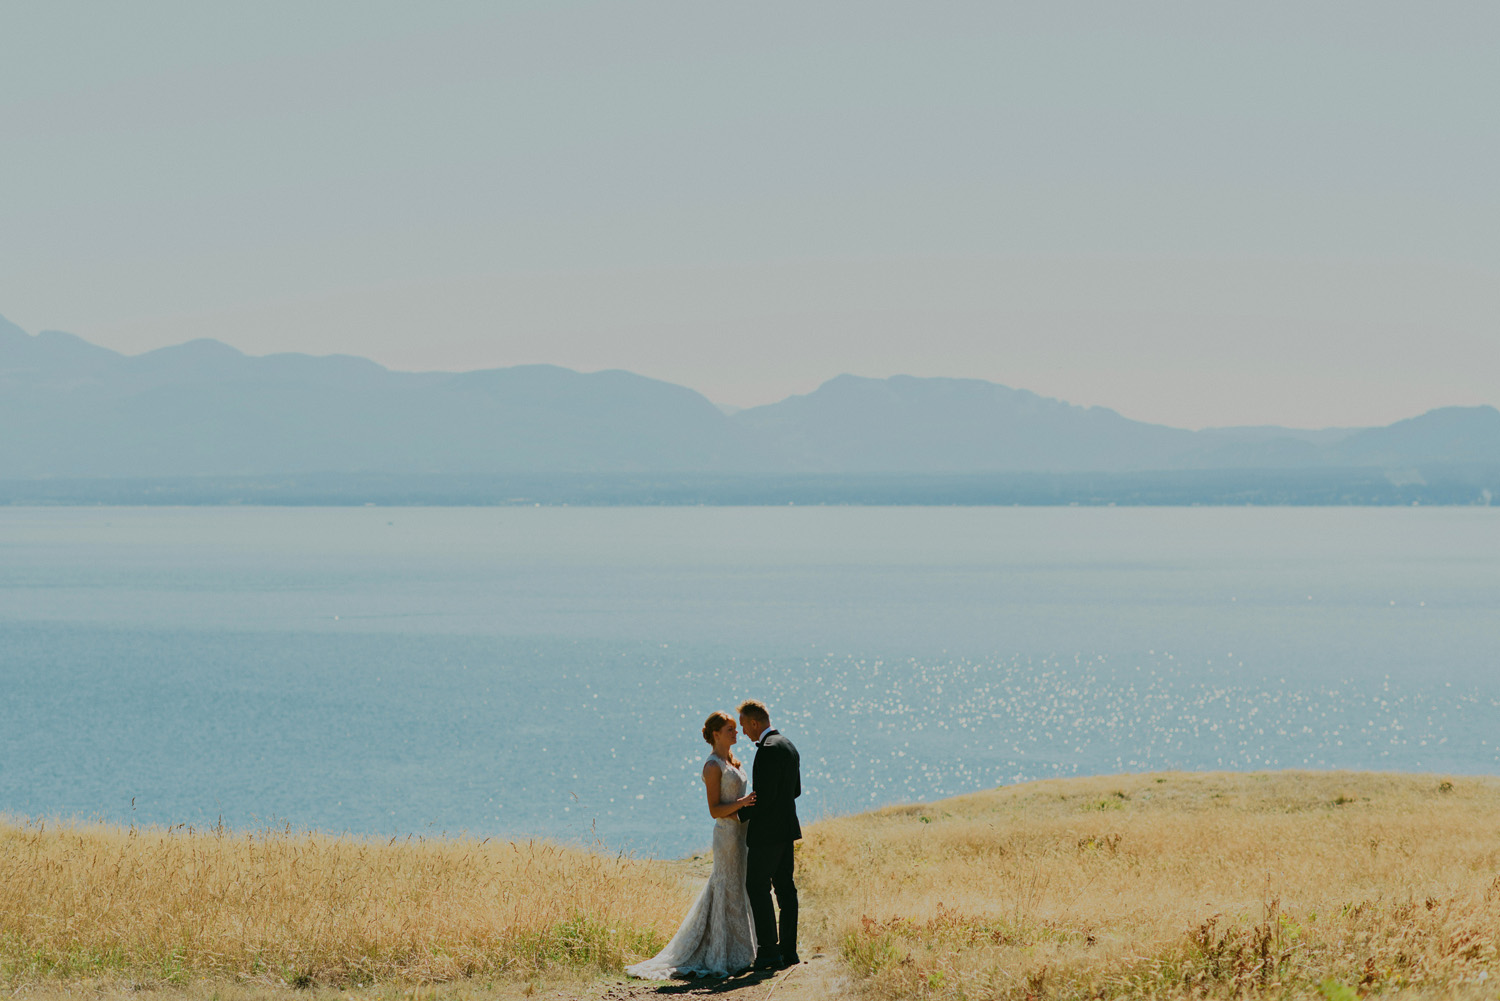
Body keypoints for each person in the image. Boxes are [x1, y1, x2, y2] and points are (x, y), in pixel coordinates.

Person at [625, 711, 758, 979]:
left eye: (735, 728)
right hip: (727, 836)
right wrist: (743, 804)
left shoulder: (733, 760)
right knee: (726, 887)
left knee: (740, 887)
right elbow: (714, 809)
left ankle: (743, 951)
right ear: (716, 734)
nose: (736, 733)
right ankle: (721, 953)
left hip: (742, 833)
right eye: (730, 729)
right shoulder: (712, 766)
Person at [736, 698, 802, 970]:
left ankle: (768, 952)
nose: (743, 733)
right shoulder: (787, 744)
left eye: (744, 726)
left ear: (754, 722)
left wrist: (739, 814)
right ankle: (789, 952)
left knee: (757, 887)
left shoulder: (767, 750)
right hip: (787, 831)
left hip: (768, 834)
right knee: (786, 890)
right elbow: (795, 791)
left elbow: (764, 797)